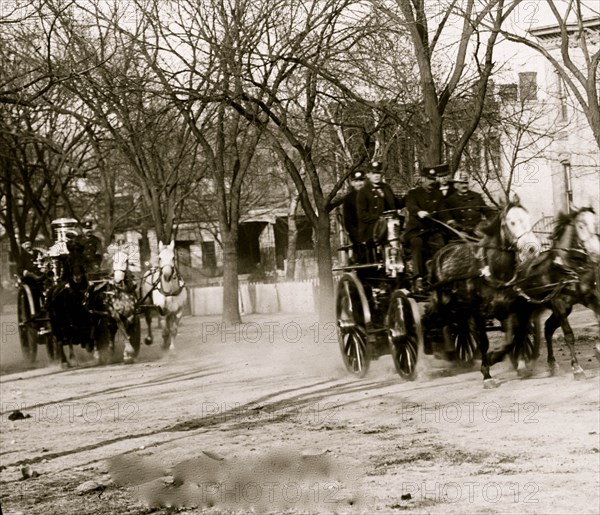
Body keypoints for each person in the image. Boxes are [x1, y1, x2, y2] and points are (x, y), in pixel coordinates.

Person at [403, 164, 447, 291]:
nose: (431, 182)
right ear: (423, 179)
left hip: (432, 232)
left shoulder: (438, 195)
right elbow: (411, 206)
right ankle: (418, 278)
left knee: (442, 245)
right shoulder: (413, 193)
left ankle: (439, 277)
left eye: (433, 179)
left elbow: (443, 212)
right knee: (417, 244)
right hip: (415, 232)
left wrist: (450, 221)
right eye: (428, 179)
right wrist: (418, 212)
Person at [357, 161, 405, 259]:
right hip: (372, 226)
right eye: (373, 173)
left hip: (391, 223)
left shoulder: (386, 187)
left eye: (378, 173)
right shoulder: (363, 192)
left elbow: (396, 203)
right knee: (387, 230)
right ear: (368, 175)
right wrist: (379, 218)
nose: (376, 176)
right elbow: (362, 215)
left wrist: (410, 197)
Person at [441, 172, 497, 236]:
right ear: (455, 185)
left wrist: (496, 218)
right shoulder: (450, 200)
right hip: (460, 234)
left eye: (466, 183)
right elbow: (447, 218)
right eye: (461, 183)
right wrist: (457, 231)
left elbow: (488, 212)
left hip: (478, 232)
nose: (465, 186)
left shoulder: (476, 196)